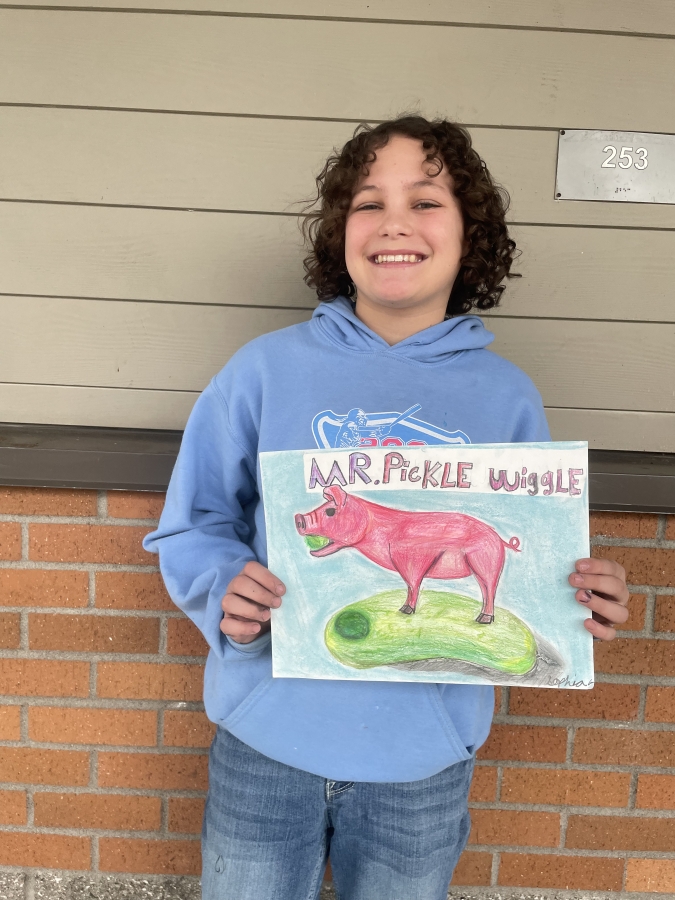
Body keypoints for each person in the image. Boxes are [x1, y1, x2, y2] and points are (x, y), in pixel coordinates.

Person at [143, 115, 629, 900]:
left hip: (422, 763)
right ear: (340, 234)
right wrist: (222, 582)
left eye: (426, 201)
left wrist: (574, 599)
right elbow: (191, 522)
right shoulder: (262, 371)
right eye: (368, 203)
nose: (395, 223)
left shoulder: (504, 397)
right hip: (267, 739)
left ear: (470, 235)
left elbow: (531, 554)